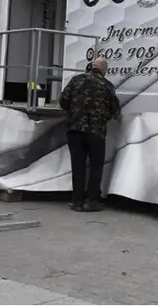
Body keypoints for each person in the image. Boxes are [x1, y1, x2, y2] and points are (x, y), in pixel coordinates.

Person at [58, 57, 120, 212]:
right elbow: (116, 110)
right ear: (104, 70)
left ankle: (77, 201)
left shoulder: (76, 80)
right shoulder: (107, 85)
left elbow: (63, 101)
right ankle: (92, 201)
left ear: (90, 67)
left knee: (77, 166)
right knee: (96, 167)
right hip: (96, 132)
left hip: (75, 131)